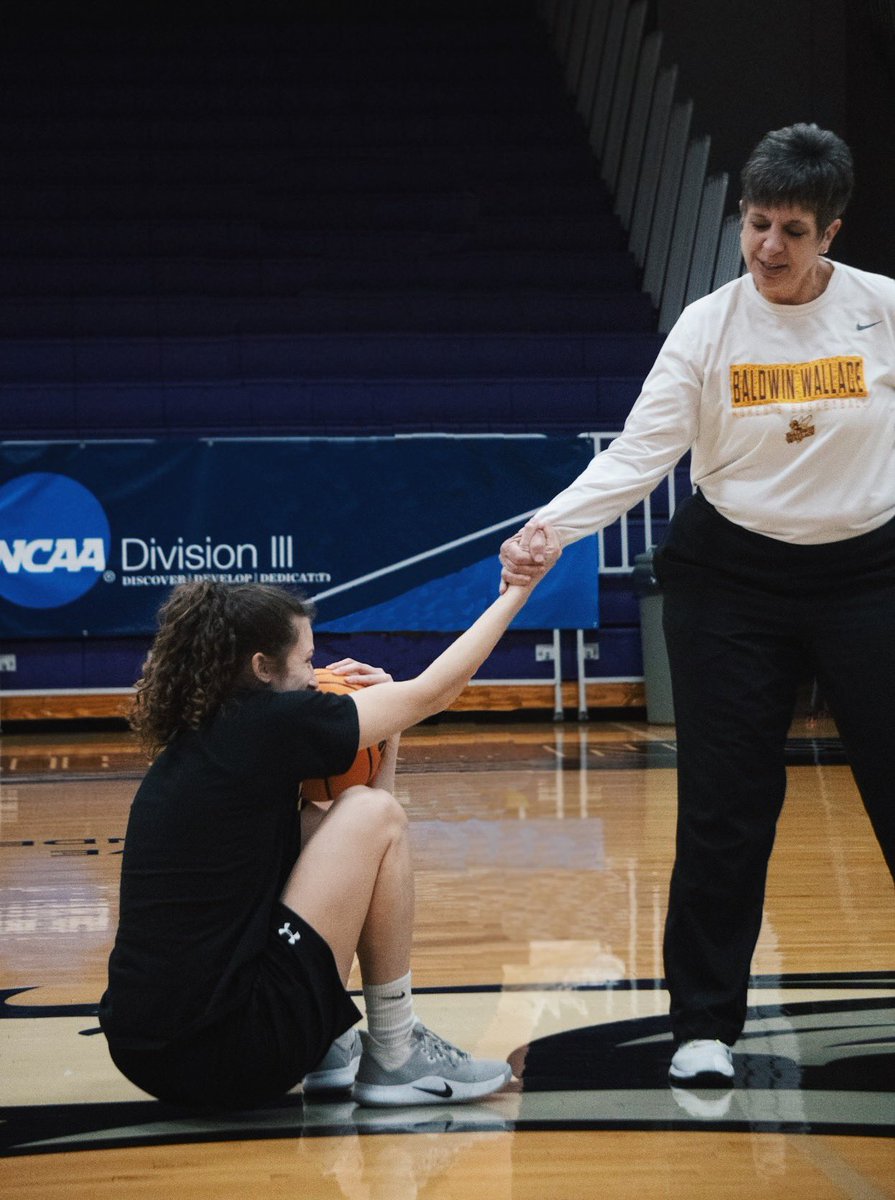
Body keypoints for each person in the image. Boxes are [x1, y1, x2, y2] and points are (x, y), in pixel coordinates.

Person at [500, 123, 895, 1087]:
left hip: (869, 576)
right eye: (755, 223)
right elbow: (641, 455)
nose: (767, 247)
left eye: (791, 230)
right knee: (725, 807)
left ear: (829, 233)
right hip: (732, 584)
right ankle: (703, 1025)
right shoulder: (706, 327)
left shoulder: (884, 313)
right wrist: (551, 526)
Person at [99, 564, 556, 1109]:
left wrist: (392, 729)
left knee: (352, 817)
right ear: (262, 668)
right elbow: (436, 693)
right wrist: (518, 591)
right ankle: (395, 1050)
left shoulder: (210, 741)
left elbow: (368, 839)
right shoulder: (272, 724)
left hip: (149, 1053)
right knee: (368, 814)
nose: (317, 677)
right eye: (307, 661)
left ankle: (330, 1047)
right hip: (233, 1054)